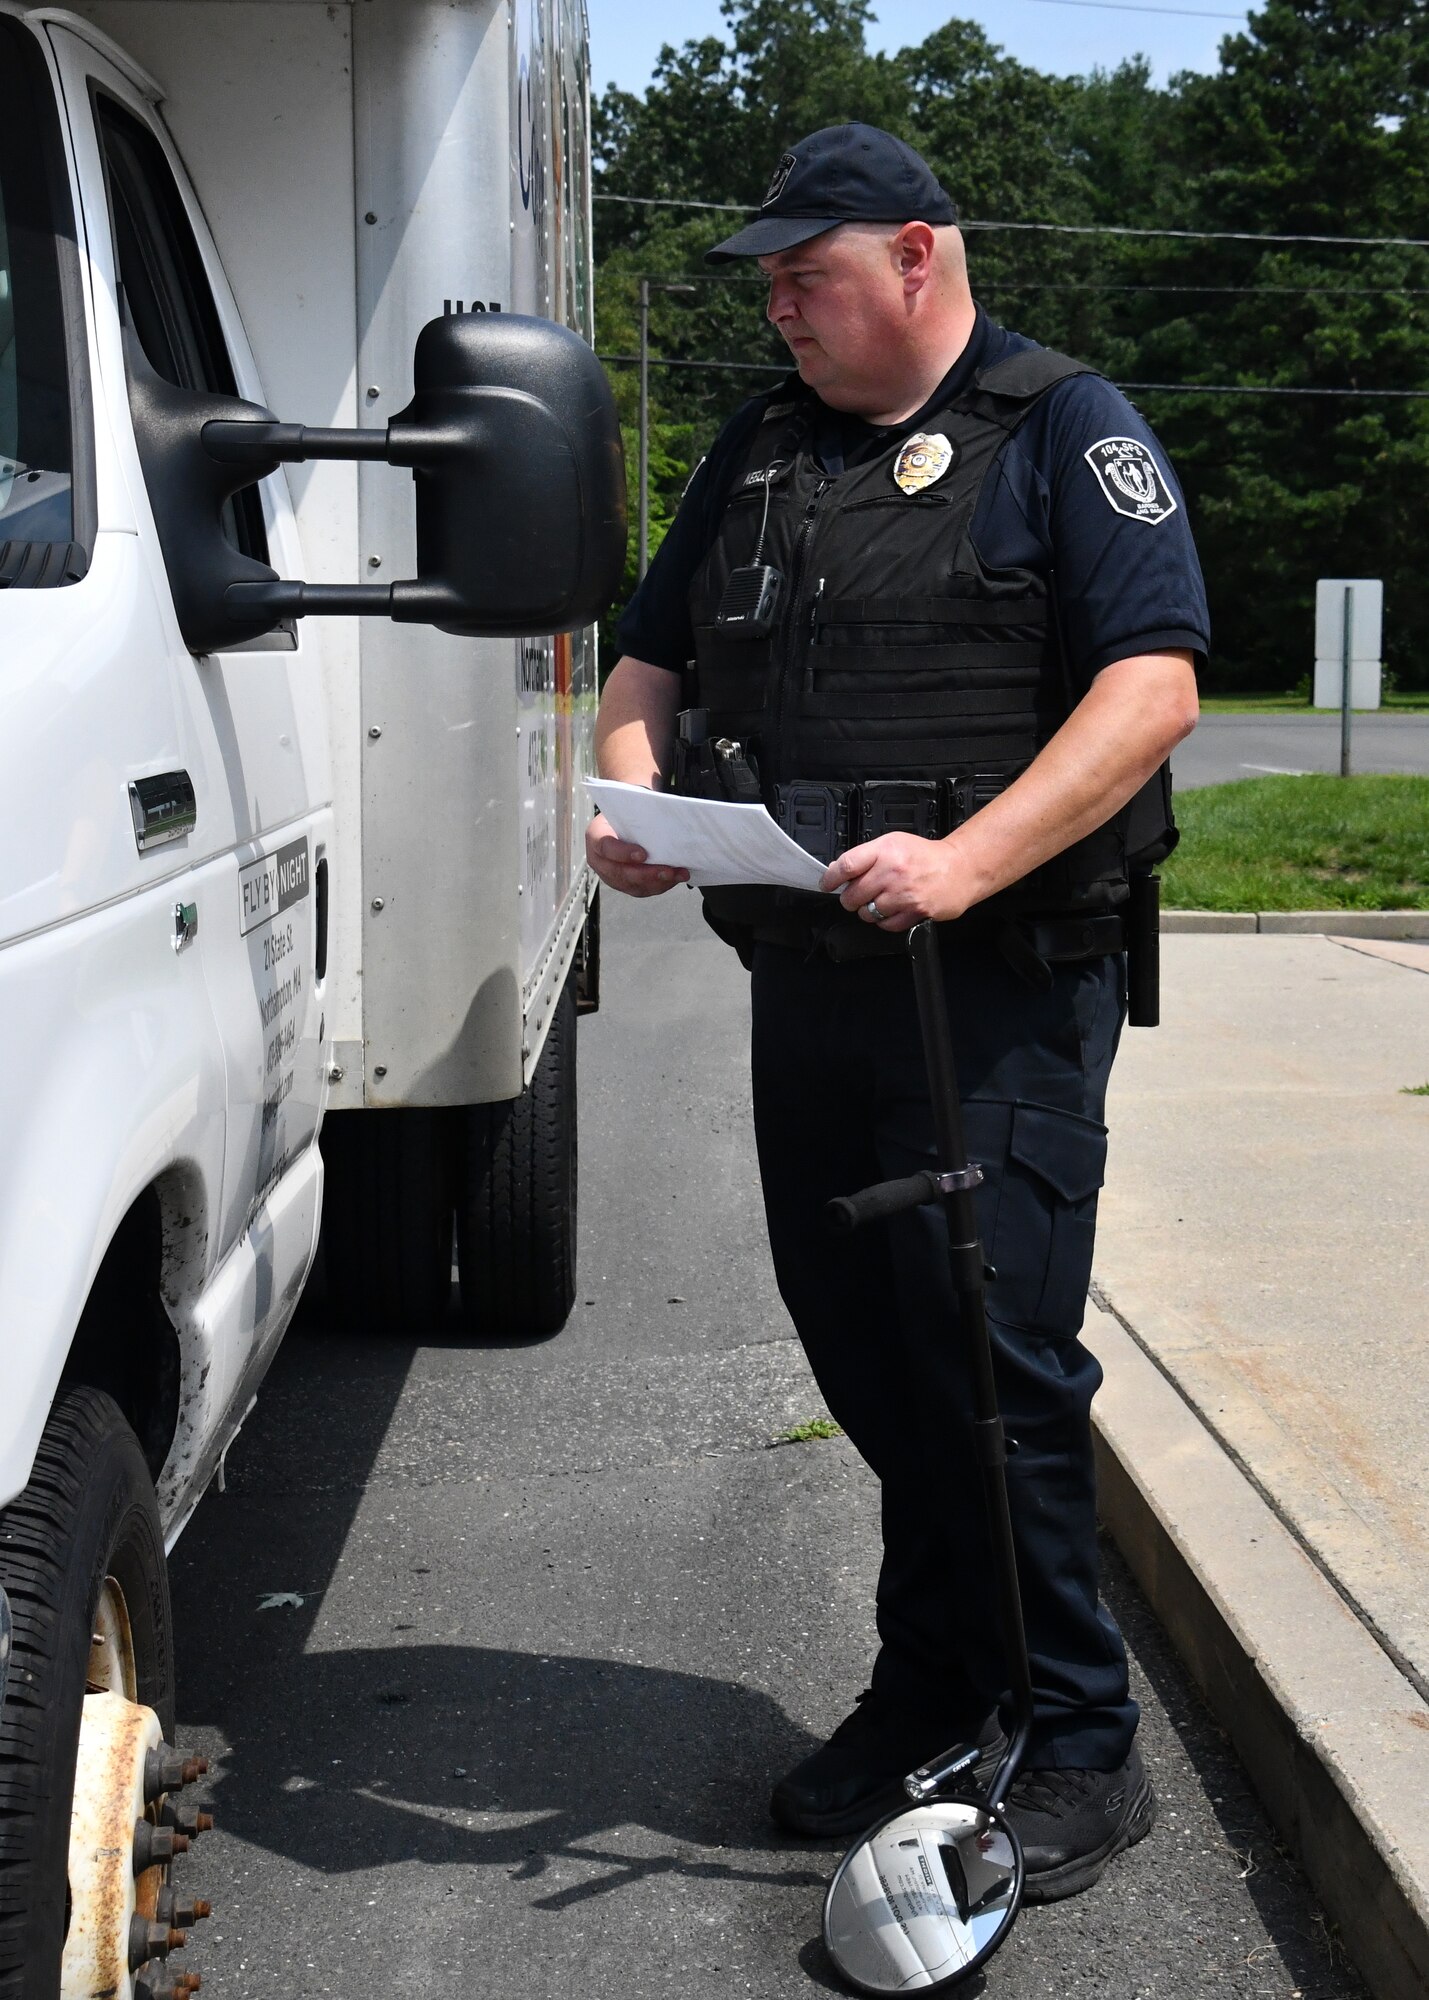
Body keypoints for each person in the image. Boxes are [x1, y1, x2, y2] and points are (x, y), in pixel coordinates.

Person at [586, 123, 1205, 1904]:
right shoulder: (763, 450)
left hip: (996, 994)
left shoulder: (1063, 429)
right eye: (769, 280)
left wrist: (966, 859)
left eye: (808, 274)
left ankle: (1079, 1734)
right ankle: (933, 1686)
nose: (778, 306)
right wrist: (628, 803)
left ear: (918, 257)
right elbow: (650, 670)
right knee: (866, 1349)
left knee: (992, 1359)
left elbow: (1152, 685)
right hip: (816, 990)